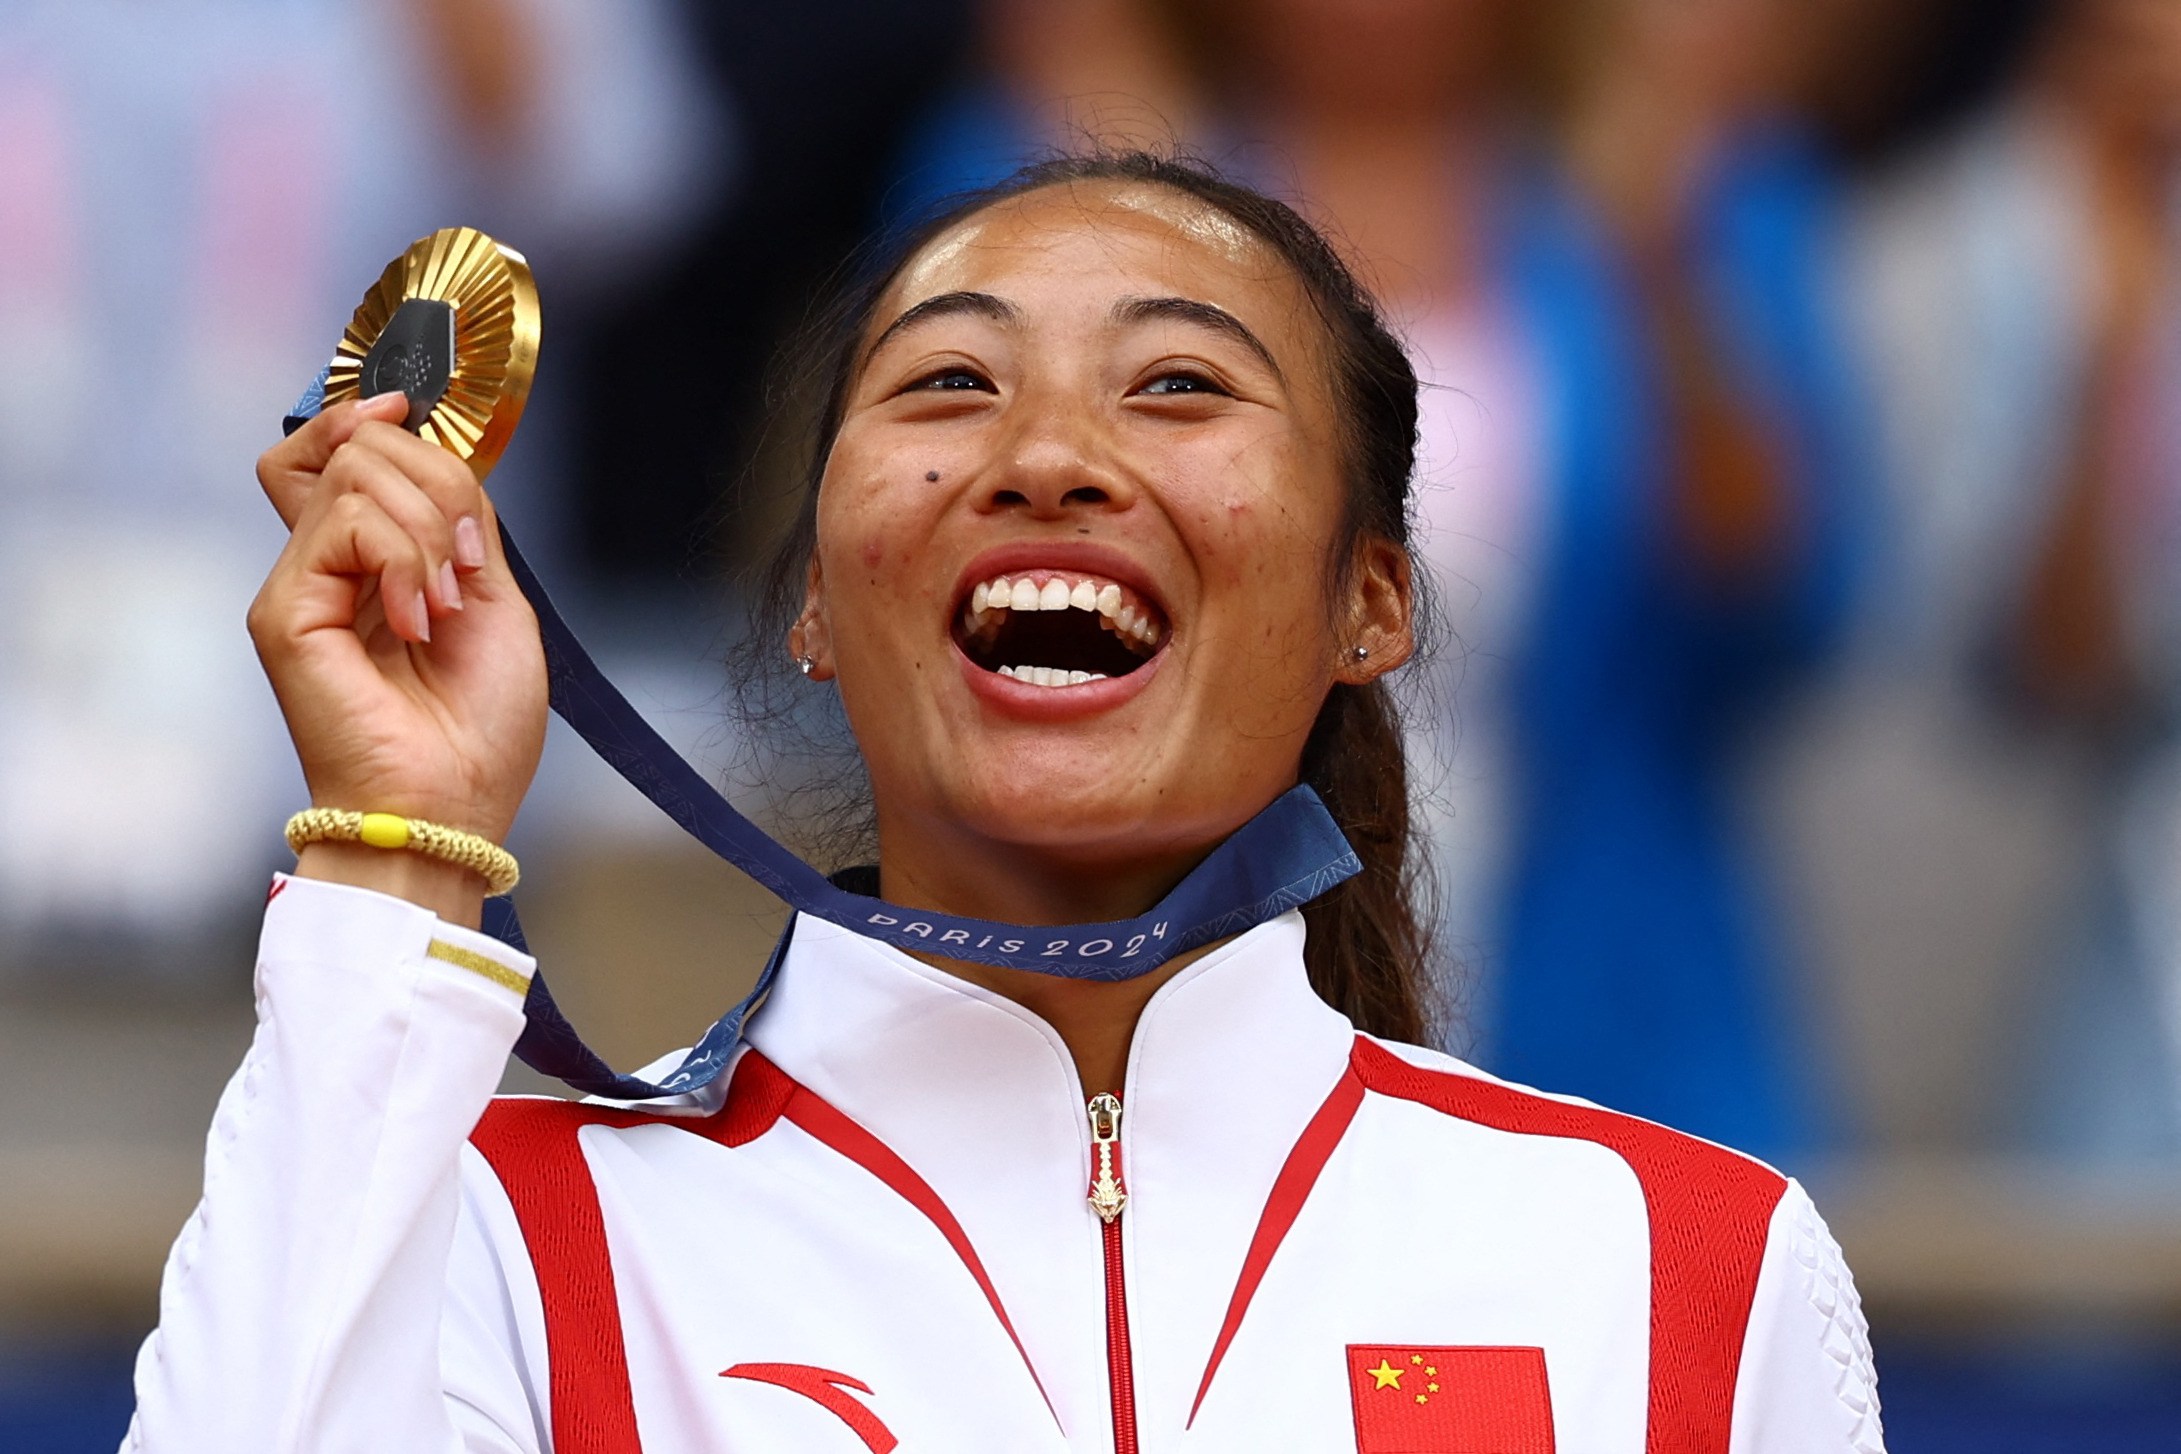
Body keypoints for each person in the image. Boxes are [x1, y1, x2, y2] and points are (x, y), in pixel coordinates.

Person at [125, 154, 1881, 1452]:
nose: (1045, 456)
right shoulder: (502, 1229)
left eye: (1180, 384)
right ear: (817, 595)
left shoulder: (1678, 1273)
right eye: (949, 385)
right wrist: (391, 847)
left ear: (1373, 600)